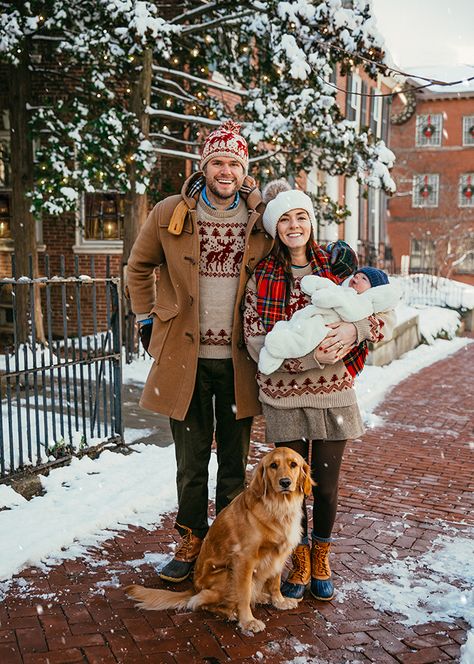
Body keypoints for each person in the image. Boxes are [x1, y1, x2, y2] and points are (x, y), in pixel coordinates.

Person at [126, 125, 356, 585]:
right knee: (190, 462)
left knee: (233, 464)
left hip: (239, 365)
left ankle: (230, 544)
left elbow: (298, 246)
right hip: (184, 361)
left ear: (243, 169)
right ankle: (191, 538)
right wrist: (147, 317)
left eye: (234, 163)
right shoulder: (172, 212)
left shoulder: (259, 217)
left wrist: (345, 273)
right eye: (217, 162)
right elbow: (138, 267)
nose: (225, 170)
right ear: (204, 166)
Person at [243, 188, 396, 602]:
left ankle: (322, 555)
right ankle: (300, 559)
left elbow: (383, 313)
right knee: (289, 488)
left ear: (311, 222)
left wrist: (355, 331)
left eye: (301, 218)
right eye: (286, 220)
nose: (294, 226)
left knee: (324, 487)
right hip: (282, 395)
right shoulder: (263, 275)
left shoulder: (338, 267)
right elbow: (255, 337)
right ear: (276, 228)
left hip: (333, 396)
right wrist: (308, 359)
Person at [259, 266, 400, 374]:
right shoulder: (342, 289)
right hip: (309, 319)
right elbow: (327, 286)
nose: (356, 278)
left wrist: (355, 329)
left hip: (326, 337)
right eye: (356, 275)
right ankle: (273, 354)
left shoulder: (364, 301)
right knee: (290, 327)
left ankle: (278, 347)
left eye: (364, 279)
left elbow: (387, 322)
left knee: (305, 336)